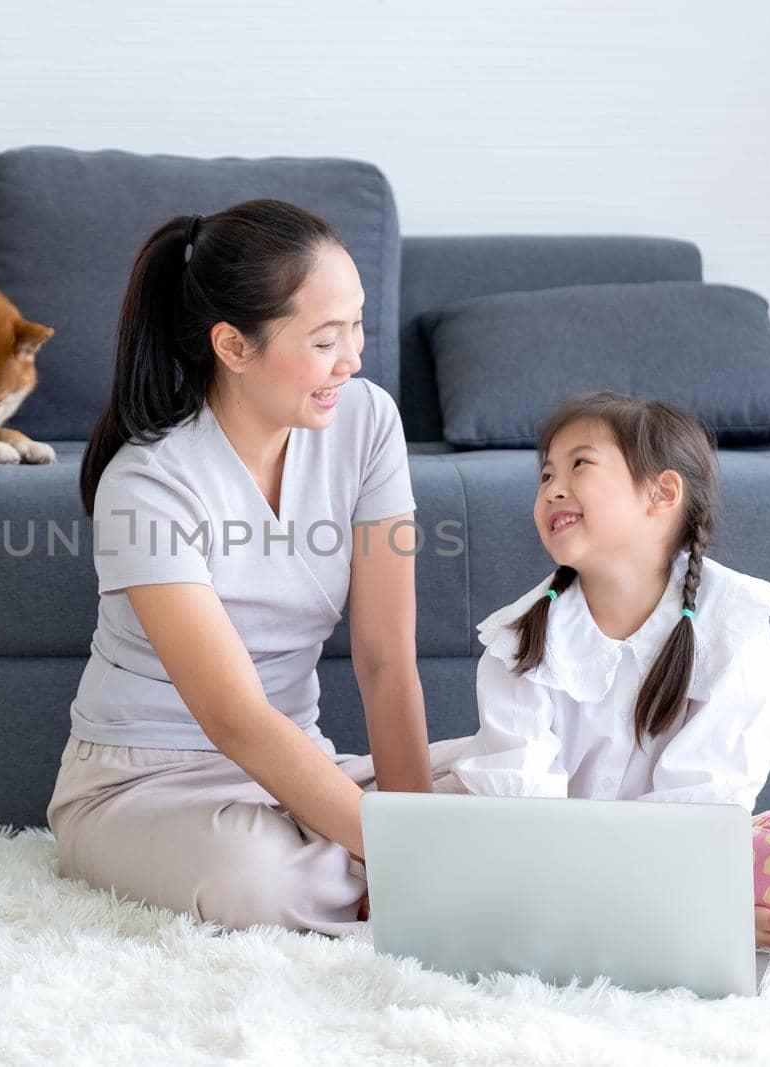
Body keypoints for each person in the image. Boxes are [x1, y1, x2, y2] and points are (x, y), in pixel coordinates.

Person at [47, 200, 466, 936]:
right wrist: (405, 855)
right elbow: (233, 717)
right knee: (259, 881)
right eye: (326, 338)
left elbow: (383, 658)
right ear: (234, 346)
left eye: (357, 324)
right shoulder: (147, 483)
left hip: (300, 764)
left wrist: (410, 832)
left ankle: (356, 851)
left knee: (517, 772)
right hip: (146, 782)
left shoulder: (367, 424)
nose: (354, 358)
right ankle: (374, 863)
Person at [451, 390, 770, 950]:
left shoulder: (733, 621)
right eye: (545, 475)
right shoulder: (517, 639)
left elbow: (708, 799)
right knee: (448, 838)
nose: (553, 488)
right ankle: (677, 919)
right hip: (549, 865)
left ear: (662, 493)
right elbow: (522, 812)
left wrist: (669, 887)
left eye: (580, 465)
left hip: (675, 858)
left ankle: (674, 915)